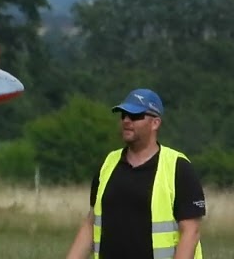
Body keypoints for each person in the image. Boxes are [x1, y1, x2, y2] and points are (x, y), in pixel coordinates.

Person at [65, 88, 206, 259]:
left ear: (155, 123)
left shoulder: (178, 167)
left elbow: (191, 232)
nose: (126, 121)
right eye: (123, 115)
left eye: (135, 116)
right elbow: (90, 223)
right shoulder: (108, 163)